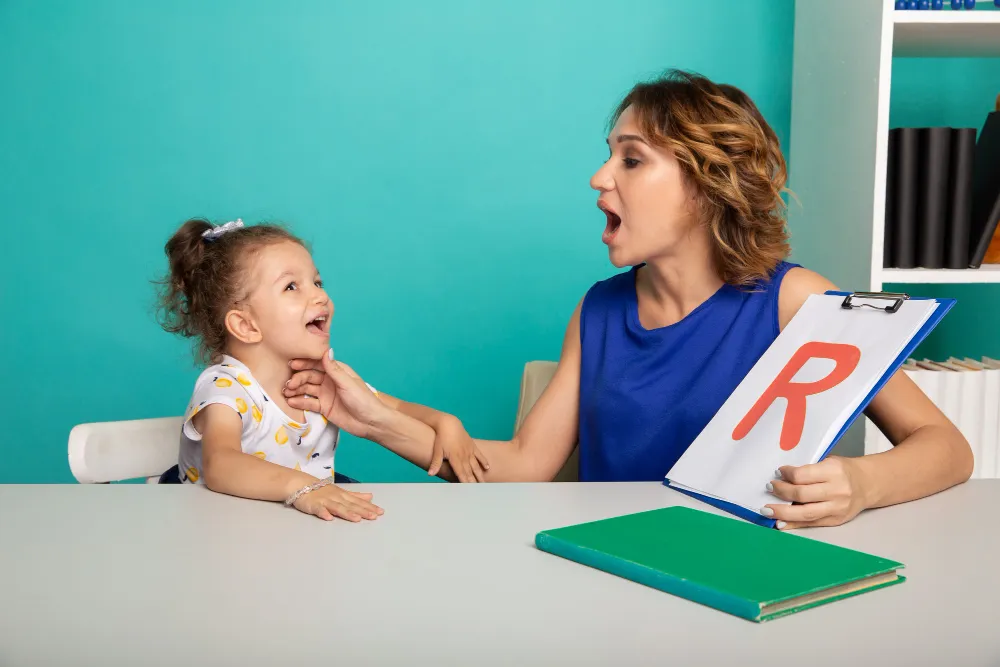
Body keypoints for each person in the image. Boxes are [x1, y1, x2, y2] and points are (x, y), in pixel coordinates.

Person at [284, 69, 973, 530]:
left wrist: (862, 484)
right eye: (608, 154)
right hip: (614, 576)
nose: (599, 177)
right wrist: (374, 420)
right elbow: (521, 467)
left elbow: (946, 448)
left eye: (631, 159)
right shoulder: (599, 311)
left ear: (706, 184)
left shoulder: (797, 301)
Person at [155, 217, 489, 521]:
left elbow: (394, 408)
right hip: (221, 524)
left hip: (292, 520)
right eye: (291, 286)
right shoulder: (225, 386)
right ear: (245, 325)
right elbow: (221, 464)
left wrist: (444, 421)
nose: (320, 296)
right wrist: (303, 488)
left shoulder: (320, 380)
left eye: (317, 282)